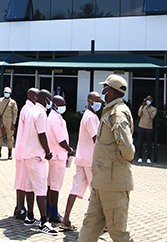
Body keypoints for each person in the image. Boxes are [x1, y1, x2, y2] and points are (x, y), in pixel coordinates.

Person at [76, 74, 135, 242]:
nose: (102, 91)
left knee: (118, 231)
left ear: (109, 90)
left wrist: (125, 156)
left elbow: (127, 149)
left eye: (105, 88)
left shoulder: (118, 113)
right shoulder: (109, 111)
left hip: (113, 182)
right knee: (90, 226)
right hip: (101, 181)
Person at [60, 92, 102, 232]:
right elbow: (96, 138)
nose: (99, 103)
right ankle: (98, 222)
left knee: (76, 188)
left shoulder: (90, 116)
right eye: (97, 101)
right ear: (89, 101)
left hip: (82, 159)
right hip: (90, 160)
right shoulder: (90, 117)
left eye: (100, 101)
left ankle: (65, 219)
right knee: (96, 191)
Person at [21, 89, 57, 234]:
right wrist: (48, 151)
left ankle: (30, 216)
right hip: (36, 155)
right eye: (50, 100)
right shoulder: (41, 113)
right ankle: (43, 222)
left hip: (28, 153)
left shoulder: (31, 110)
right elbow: (42, 135)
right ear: (46, 100)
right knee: (41, 188)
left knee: (30, 186)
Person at [46, 95, 74, 226]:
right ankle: (54, 213)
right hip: (58, 156)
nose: (64, 107)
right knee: (55, 186)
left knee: (50, 184)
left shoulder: (55, 117)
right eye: (61, 105)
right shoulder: (54, 119)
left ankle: (48, 210)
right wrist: (70, 150)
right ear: (55, 105)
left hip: (56, 155)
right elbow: (60, 139)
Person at [13, 88, 38, 221]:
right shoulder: (28, 110)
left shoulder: (28, 108)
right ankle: (21, 208)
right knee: (22, 181)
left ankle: (19, 206)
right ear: (33, 97)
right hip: (24, 151)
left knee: (23, 180)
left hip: (25, 150)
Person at [0, 87, 18, 159]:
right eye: (5, 92)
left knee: (9, 137)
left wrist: (13, 124)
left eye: (8, 93)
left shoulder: (13, 102)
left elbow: (15, 113)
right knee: (0, 136)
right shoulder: (0, 100)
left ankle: (9, 154)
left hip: (9, 122)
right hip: (0, 121)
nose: (6, 94)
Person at [135, 95, 157, 163]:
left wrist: (148, 109)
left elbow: (152, 116)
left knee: (149, 143)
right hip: (141, 126)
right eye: (147, 100)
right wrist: (142, 107)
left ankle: (149, 158)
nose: (148, 101)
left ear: (152, 101)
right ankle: (139, 157)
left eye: (149, 100)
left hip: (149, 128)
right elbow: (139, 114)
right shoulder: (142, 107)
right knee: (140, 143)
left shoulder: (154, 109)